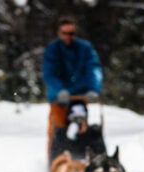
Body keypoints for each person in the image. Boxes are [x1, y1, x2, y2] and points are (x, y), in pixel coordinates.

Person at [43, 17, 103, 159]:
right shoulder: (52, 50)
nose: (68, 37)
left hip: (81, 96)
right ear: (59, 33)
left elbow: (93, 69)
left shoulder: (85, 48)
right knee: (57, 130)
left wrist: (94, 89)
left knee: (84, 129)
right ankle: (55, 163)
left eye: (71, 33)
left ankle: (84, 158)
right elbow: (49, 74)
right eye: (65, 33)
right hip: (59, 98)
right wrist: (60, 90)